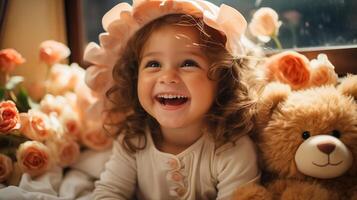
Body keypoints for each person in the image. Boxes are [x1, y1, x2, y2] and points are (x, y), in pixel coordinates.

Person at [84, 0, 260, 199]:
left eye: (188, 63)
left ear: (223, 79)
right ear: (135, 77)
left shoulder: (232, 149)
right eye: (153, 64)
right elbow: (108, 192)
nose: (167, 77)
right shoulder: (133, 140)